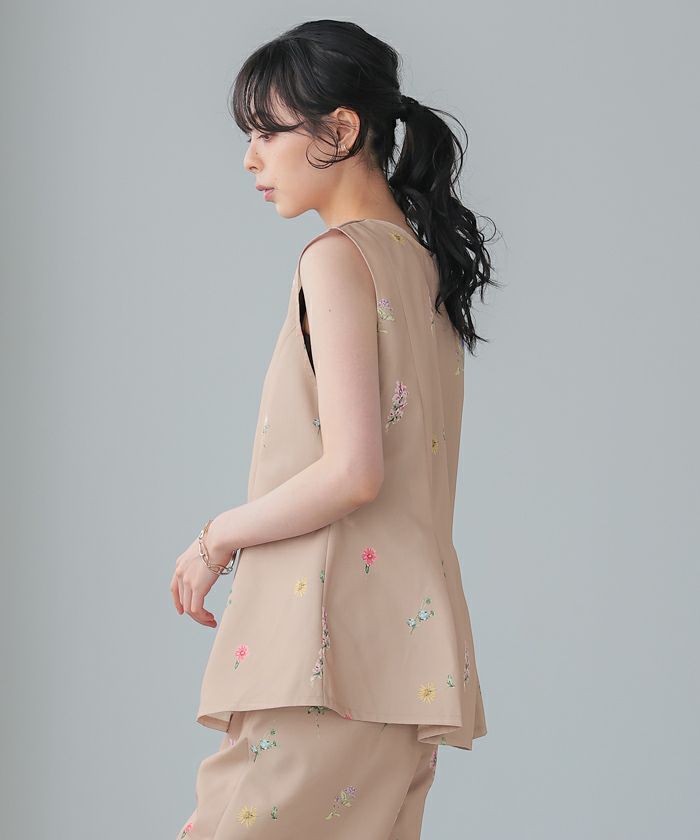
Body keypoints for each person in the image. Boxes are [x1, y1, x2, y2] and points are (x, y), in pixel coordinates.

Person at [170, 18, 498, 840]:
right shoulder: (421, 265)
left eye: (267, 132)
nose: (251, 159)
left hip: (325, 654)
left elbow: (354, 471)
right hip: (403, 662)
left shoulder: (336, 259)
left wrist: (216, 539)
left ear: (341, 130)